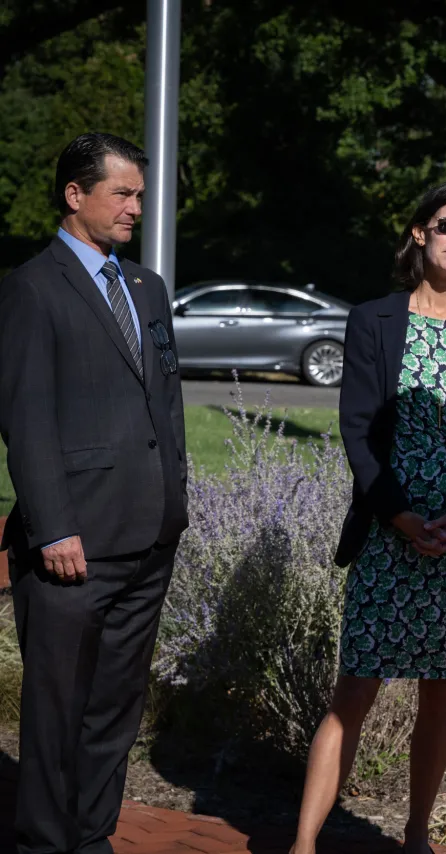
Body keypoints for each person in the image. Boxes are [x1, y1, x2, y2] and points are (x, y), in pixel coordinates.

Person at [290, 181, 446, 854]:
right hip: (388, 533)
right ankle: (304, 844)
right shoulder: (374, 319)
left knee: (442, 694)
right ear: (418, 233)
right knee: (355, 691)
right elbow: (357, 432)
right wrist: (403, 518)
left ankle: (416, 836)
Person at [0, 132, 188, 853]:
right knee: (56, 712)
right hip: (71, 543)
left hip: (149, 537)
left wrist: (177, 494)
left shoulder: (145, 287)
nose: (136, 208)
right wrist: (51, 528)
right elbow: (26, 417)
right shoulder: (31, 288)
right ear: (75, 195)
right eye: (123, 193)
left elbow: (165, 401)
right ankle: (46, 843)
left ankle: (92, 836)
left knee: (115, 708)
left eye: (140, 194)